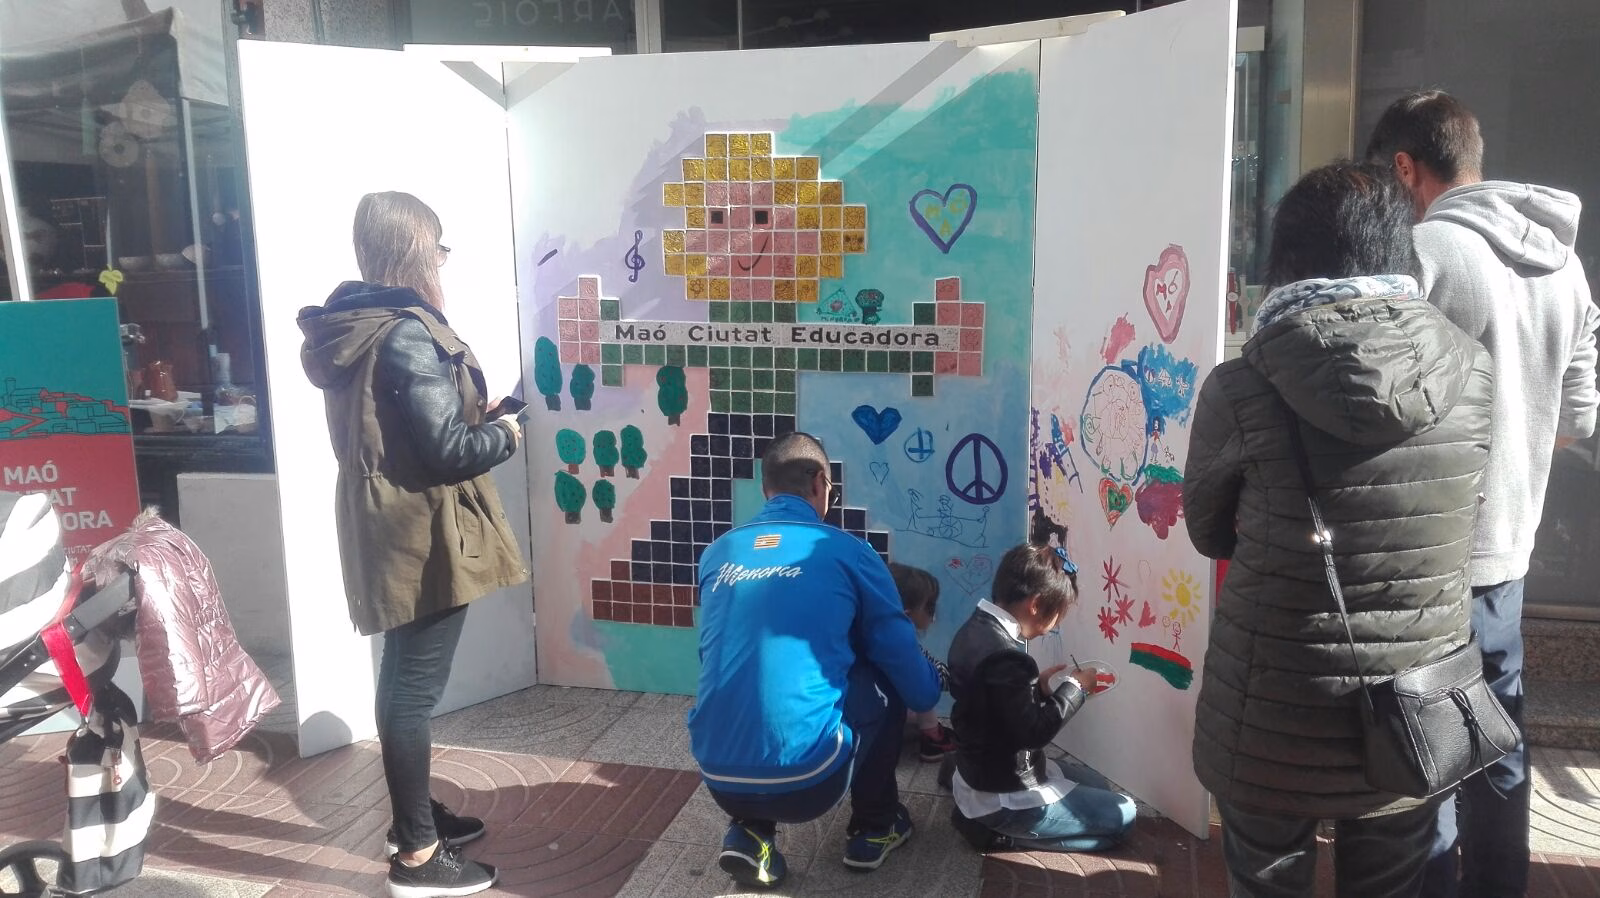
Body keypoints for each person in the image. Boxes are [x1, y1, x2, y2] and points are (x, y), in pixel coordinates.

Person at [1182, 161, 1494, 898]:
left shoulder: (1241, 384)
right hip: (1414, 699)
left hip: (1269, 707)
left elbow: (1207, 531)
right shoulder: (1472, 374)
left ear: (1285, 264)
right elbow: (1456, 522)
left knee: (1264, 884)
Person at [1365, 90, 1600, 898]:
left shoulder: (1424, 249)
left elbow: (1376, 400)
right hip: (1509, 543)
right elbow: (1577, 421)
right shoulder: (1565, 263)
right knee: (1494, 736)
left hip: (1426, 548)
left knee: (1426, 743)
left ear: (1406, 166)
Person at [298, 191, 528, 898]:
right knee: (410, 691)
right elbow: (447, 452)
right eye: (441, 247)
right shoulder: (403, 331)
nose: (444, 261)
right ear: (418, 252)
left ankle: (416, 819)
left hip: (388, 516)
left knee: (403, 678)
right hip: (421, 526)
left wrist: (471, 414)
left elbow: (411, 431)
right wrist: (507, 432)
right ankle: (419, 856)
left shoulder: (356, 326)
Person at [687, 432, 943, 889]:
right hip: (809, 782)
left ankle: (750, 831)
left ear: (765, 489)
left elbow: (713, 654)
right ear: (820, 484)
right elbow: (913, 677)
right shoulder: (848, 551)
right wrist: (934, 683)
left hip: (716, 773)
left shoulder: (717, 553)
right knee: (882, 675)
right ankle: (876, 824)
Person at [945, 543, 1132, 854]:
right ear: (1036, 604)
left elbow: (995, 707)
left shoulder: (973, 628)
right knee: (1125, 814)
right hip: (1003, 792)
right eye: (1057, 615)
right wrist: (1076, 687)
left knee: (1099, 784)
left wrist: (1040, 689)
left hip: (984, 770)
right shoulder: (1008, 657)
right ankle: (1001, 836)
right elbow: (1034, 732)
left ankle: (993, 823)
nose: (1055, 627)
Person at [889, 561, 957, 761]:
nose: (933, 616)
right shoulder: (905, 648)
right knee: (924, 679)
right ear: (907, 616)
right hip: (885, 719)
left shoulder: (867, 635)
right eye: (930, 607)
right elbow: (938, 681)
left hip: (863, 715)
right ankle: (932, 739)